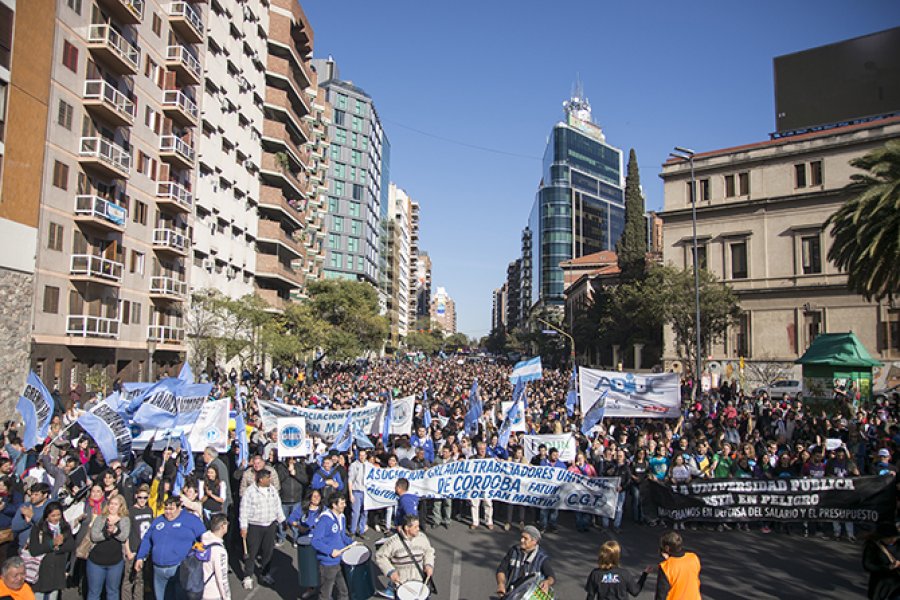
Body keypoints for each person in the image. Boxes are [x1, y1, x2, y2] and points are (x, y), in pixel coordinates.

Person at [135, 496, 207, 600]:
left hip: (179, 569)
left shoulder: (191, 520)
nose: (168, 512)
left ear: (179, 507)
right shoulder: (159, 520)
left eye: (171, 509)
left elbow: (205, 538)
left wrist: (198, 557)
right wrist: (140, 557)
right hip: (159, 570)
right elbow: (147, 539)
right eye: (166, 509)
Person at [239, 468, 285, 590]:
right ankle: (248, 576)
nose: (270, 480)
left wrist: (282, 520)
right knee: (251, 552)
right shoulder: (249, 492)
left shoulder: (272, 490)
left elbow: (277, 505)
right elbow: (244, 510)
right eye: (268, 478)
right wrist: (243, 526)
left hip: (270, 525)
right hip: (255, 526)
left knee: (268, 551)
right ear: (261, 479)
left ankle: (265, 574)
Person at [374, 514, 434, 599]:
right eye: (415, 527)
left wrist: (428, 564)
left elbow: (429, 551)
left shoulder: (422, 537)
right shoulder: (393, 542)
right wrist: (390, 571)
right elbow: (380, 556)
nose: (418, 529)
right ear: (407, 528)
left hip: (420, 582)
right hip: (401, 585)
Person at [26, 500, 74, 600]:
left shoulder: (65, 527)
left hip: (57, 571)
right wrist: (52, 544)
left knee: (53, 596)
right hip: (41, 571)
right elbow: (34, 550)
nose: (56, 518)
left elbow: (71, 545)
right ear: (47, 516)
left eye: (58, 515)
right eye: (53, 515)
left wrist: (58, 548)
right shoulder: (38, 528)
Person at [86, 493, 130, 600]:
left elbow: (124, 537)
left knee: (113, 591)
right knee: (94, 592)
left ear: (121, 506)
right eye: (111, 503)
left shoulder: (125, 520)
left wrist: (115, 530)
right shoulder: (101, 518)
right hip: (96, 561)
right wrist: (107, 534)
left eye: (116, 504)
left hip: (115, 562)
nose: (112, 506)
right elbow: (94, 536)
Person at [311, 494, 353, 600]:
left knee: (344, 592)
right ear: (334, 505)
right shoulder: (325, 520)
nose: (345, 505)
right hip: (328, 563)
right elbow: (315, 541)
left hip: (340, 561)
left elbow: (342, 535)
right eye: (342, 503)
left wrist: (351, 543)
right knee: (325, 594)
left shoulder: (342, 517)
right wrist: (330, 551)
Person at [496, 526, 555, 598]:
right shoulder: (514, 551)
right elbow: (501, 569)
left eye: (525, 538)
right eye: (521, 537)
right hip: (512, 593)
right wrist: (501, 585)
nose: (521, 540)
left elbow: (551, 577)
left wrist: (547, 582)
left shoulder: (541, 558)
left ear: (534, 541)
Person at [287, 488, 323, 599]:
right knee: (309, 568)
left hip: (320, 542)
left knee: (322, 568)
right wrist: (298, 526)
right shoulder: (302, 508)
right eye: (314, 496)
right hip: (306, 541)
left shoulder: (324, 510)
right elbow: (291, 519)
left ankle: (324, 591)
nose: (316, 498)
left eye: (318, 496)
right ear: (310, 497)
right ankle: (310, 588)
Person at [584, 540, 650, 600]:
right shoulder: (624, 574)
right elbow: (635, 591)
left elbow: (590, 596)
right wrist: (644, 575)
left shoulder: (596, 574)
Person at [123, 484, 153, 600]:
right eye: (140, 497)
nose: (142, 500)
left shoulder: (149, 510)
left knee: (140, 580)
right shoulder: (130, 511)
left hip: (145, 551)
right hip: (133, 549)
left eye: (145, 498)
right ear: (136, 496)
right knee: (128, 580)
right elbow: (126, 533)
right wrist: (128, 551)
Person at [655, 531, 701, 600]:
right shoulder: (693, 558)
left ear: (667, 548)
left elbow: (661, 595)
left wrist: (668, 560)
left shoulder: (665, 567)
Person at [863, 521, 900, 600]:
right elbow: (867, 565)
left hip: (897, 586)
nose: (892, 540)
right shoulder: (872, 546)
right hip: (881, 586)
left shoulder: (898, 544)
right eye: (889, 538)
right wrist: (887, 568)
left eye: (894, 537)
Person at [201, 513, 231, 600]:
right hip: (212, 593)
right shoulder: (219, 551)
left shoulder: (204, 541)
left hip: (199, 589)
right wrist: (227, 597)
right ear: (222, 526)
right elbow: (222, 577)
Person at [347, 450, 368, 538]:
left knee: (365, 512)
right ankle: (353, 530)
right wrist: (350, 494)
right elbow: (350, 480)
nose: (362, 457)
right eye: (360, 455)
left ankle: (361, 530)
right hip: (357, 491)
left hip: (366, 492)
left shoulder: (369, 465)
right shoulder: (354, 465)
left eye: (363, 455)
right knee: (356, 512)